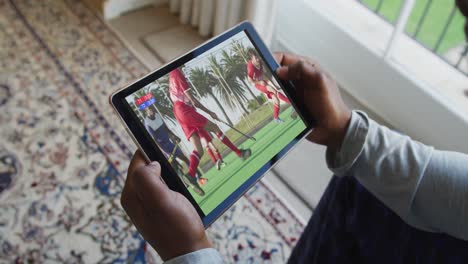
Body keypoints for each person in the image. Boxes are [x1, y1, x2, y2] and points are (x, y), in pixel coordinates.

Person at [120, 52, 468, 263]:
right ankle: (204, 169)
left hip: (186, 110)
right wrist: (347, 131)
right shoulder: (187, 85)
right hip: (183, 111)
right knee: (357, 187)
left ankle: (224, 158)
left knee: (211, 134)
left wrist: (190, 254)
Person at [168, 68, 251, 188]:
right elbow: (193, 101)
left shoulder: (171, 74)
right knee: (215, 128)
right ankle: (239, 153)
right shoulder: (177, 73)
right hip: (184, 109)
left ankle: (191, 175)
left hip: (178, 112)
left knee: (199, 150)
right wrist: (210, 112)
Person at [246, 49, 295, 123]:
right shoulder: (251, 68)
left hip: (264, 82)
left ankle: (276, 118)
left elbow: (264, 75)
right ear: (251, 59)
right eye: (255, 58)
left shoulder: (260, 63)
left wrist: (273, 83)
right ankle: (293, 104)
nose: (258, 59)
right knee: (273, 90)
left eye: (257, 57)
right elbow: (250, 80)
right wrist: (259, 82)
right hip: (258, 85)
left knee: (276, 99)